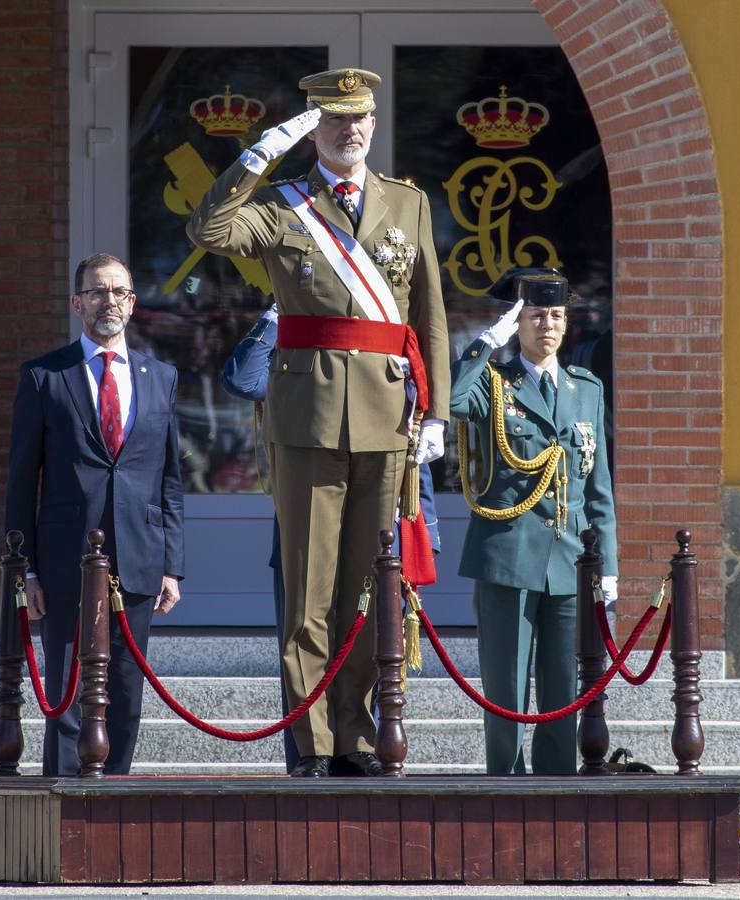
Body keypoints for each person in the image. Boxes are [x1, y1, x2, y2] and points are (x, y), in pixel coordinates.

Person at [189, 69, 450, 778]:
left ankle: (357, 735)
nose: (350, 129)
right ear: (314, 130)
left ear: (373, 123)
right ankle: (312, 742)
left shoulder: (406, 203)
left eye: (360, 117)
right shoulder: (282, 205)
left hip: (388, 417)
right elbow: (209, 229)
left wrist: (437, 414)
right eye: (335, 119)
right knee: (308, 591)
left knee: (369, 586)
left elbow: (429, 313)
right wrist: (259, 153)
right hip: (306, 416)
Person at [220, 304, 443, 773]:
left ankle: (359, 743)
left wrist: (427, 535)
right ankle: (311, 750)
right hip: (307, 516)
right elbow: (243, 379)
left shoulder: (390, 351)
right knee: (306, 628)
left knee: (370, 631)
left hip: (382, 529)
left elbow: (412, 452)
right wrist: (279, 316)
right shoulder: (297, 351)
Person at [5, 252, 184, 776]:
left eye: (119, 292)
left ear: (132, 302)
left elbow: (170, 479)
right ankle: (61, 802)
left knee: (126, 690)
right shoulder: (44, 375)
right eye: (97, 291)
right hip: (64, 559)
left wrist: (172, 565)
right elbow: (22, 480)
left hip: (139, 557)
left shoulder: (161, 376)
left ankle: (115, 798)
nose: (109, 301)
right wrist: (26, 571)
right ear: (76, 302)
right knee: (65, 690)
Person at [450, 268, 618, 775]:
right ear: (518, 324)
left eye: (557, 316)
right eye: (537, 316)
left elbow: (598, 485)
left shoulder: (585, 388)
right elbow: (452, 400)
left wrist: (607, 565)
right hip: (508, 553)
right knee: (505, 685)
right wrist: (486, 343)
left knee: (562, 686)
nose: (548, 325)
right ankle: (505, 781)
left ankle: (555, 784)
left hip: (569, 557)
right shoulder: (494, 382)